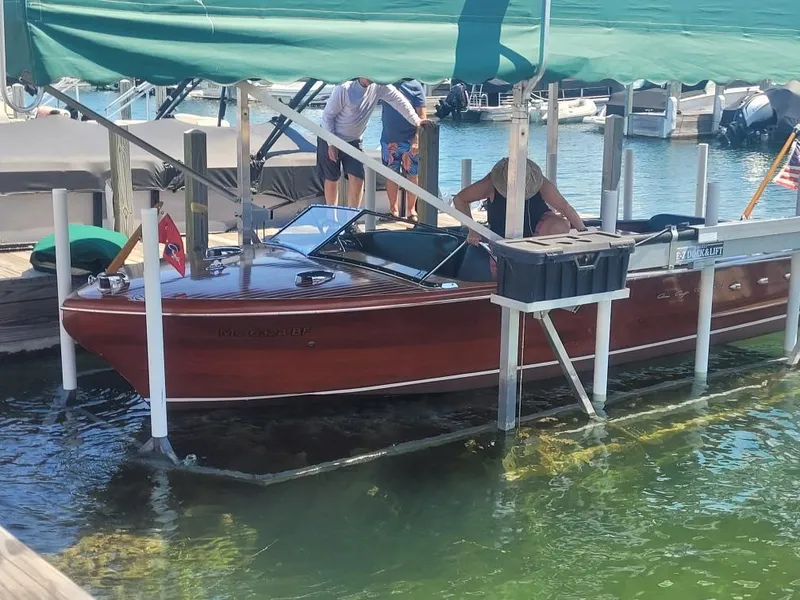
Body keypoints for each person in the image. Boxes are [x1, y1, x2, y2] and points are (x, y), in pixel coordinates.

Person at [319, 78, 432, 208]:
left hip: (354, 140)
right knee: (332, 178)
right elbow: (328, 116)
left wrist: (416, 121)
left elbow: (399, 101)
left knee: (357, 178)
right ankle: (331, 218)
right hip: (331, 136)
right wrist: (331, 143)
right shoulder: (344, 88)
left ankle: (351, 220)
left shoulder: (380, 86)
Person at [453, 157, 586, 245]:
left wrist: (583, 232)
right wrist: (472, 229)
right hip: (501, 234)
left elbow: (564, 207)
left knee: (561, 225)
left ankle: (542, 260)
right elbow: (459, 200)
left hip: (538, 229)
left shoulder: (538, 180)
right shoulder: (490, 183)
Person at [380, 78, 426, 221]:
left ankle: (412, 211)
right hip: (388, 139)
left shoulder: (415, 85)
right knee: (391, 174)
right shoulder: (385, 84)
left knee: (412, 174)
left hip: (409, 140)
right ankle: (393, 210)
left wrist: (417, 140)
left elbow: (422, 115)